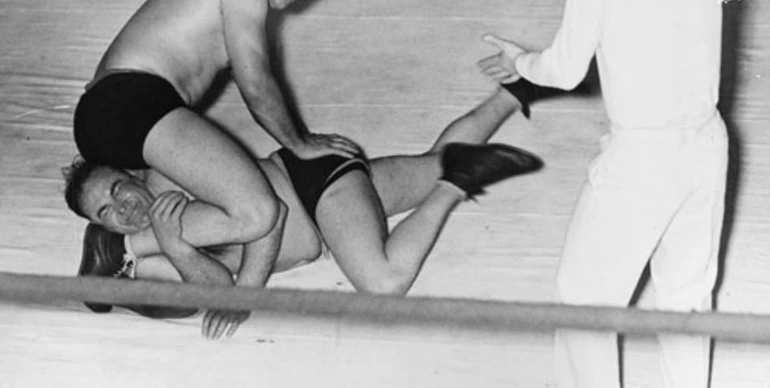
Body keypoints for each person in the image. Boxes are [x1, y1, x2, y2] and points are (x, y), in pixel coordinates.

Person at [478, 0, 728, 388]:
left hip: (643, 158)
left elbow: (565, 71)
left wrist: (519, 59)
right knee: (687, 297)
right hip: (707, 149)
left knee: (582, 300)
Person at [65, 88, 543, 338]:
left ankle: (456, 183)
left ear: (130, 173)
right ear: (101, 224)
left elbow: (266, 216)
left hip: (314, 186)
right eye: (108, 214)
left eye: (116, 189)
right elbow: (217, 290)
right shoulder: (164, 241)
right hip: (334, 200)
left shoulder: (167, 178)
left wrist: (244, 293)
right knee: (432, 159)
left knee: (383, 282)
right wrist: (176, 249)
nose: (124, 207)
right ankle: (513, 92)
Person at [73, 0, 363, 321]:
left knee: (187, 231)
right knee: (257, 212)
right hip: (129, 106)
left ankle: (125, 264)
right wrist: (300, 142)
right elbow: (257, 85)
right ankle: (123, 248)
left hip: (113, 118)